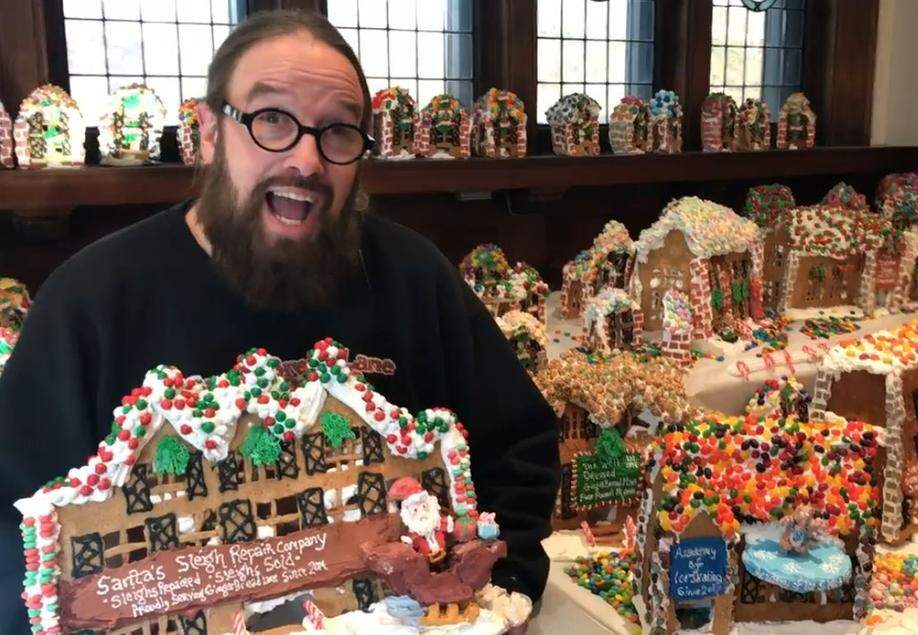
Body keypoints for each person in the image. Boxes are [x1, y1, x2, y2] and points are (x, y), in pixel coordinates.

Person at [0, 10, 559, 631]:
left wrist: (494, 594)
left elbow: (519, 448)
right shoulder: (92, 301)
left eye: (339, 131)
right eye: (271, 120)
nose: (307, 159)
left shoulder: (412, 276)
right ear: (209, 132)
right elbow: (16, 528)